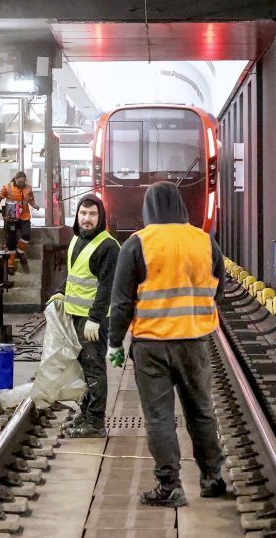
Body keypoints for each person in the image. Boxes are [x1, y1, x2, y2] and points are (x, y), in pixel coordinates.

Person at [107, 182, 226, 508]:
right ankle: (212, 477)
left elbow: (121, 302)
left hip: (152, 346)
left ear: (148, 208)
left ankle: (170, 486)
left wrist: (115, 342)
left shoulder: (137, 243)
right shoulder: (205, 241)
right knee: (201, 411)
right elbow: (219, 290)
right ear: (180, 206)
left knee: (159, 417)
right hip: (194, 343)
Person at [48, 195, 119, 437]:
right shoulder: (77, 240)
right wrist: (60, 293)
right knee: (82, 369)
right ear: (77, 215)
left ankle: (96, 422)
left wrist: (95, 319)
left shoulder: (108, 246)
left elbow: (107, 287)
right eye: (83, 213)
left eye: (92, 214)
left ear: (101, 217)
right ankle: (86, 413)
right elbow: (73, 275)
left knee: (94, 367)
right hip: (75, 317)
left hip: (92, 321)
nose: (87, 218)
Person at [0, 171, 40, 273]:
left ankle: (20, 252)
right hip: (11, 217)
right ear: (15, 179)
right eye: (19, 182)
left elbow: (30, 199)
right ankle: (10, 264)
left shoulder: (28, 188)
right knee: (11, 240)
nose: (21, 184)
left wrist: (34, 205)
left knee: (26, 235)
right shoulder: (8, 187)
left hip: (24, 216)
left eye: (23, 182)